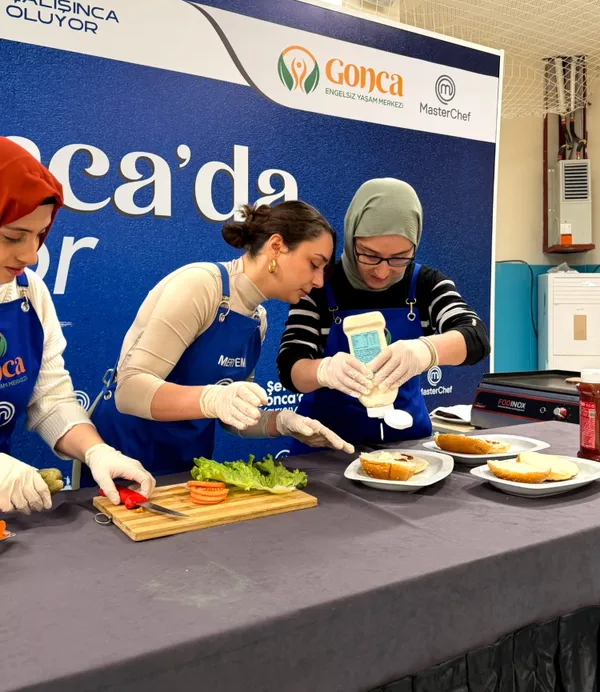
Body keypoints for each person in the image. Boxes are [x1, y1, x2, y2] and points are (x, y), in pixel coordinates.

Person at [86, 200, 354, 481]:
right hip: (122, 458)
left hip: (184, 467)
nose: (319, 281)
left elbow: (231, 417)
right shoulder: (201, 286)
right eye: (314, 264)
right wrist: (213, 399)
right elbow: (130, 392)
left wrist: (282, 422)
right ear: (276, 246)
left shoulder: (258, 321)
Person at [0, 137, 155, 515]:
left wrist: (95, 450)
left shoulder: (29, 293)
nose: (31, 255)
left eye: (39, 235)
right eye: (13, 237)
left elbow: (50, 399)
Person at [277, 178, 490, 444]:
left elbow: (476, 337)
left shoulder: (425, 285)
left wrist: (425, 351)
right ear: (352, 238)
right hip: (326, 447)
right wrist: (324, 371)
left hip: (408, 445)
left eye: (399, 258)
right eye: (369, 255)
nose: (382, 271)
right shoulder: (319, 284)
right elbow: (290, 367)